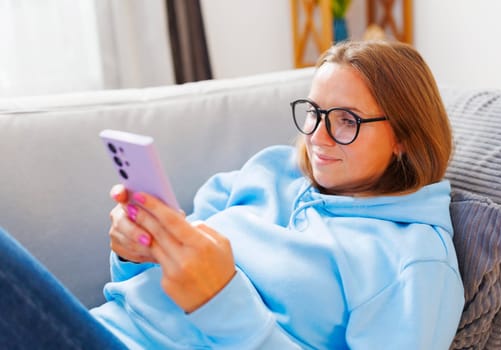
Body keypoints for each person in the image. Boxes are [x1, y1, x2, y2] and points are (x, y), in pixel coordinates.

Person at [0, 40, 464, 349]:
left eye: (346, 121)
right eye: (314, 112)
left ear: (403, 135)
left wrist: (222, 301)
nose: (318, 137)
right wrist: (136, 253)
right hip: (96, 326)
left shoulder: (413, 261)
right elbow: (153, 286)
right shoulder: (270, 170)